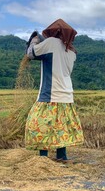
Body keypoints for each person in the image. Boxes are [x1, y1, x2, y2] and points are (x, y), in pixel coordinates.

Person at [25, 19, 84, 162]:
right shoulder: (72, 51)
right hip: (66, 95)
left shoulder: (51, 42)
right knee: (61, 127)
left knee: (39, 124)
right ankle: (61, 156)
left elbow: (31, 54)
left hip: (50, 93)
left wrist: (34, 40)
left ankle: (43, 159)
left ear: (55, 33)